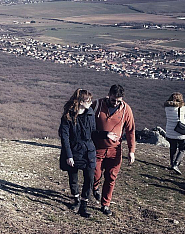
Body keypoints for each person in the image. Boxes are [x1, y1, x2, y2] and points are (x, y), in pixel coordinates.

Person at [58, 88, 106, 218]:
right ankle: (76, 200)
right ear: (80, 102)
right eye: (88, 100)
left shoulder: (90, 113)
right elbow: (65, 137)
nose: (91, 103)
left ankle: (83, 206)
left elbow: (93, 133)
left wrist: (106, 134)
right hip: (74, 151)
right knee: (73, 178)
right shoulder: (68, 116)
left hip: (89, 151)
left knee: (89, 178)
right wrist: (69, 155)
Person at [92, 84, 136, 216]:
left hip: (114, 150)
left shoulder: (126, 110)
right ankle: (95, 187)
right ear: (108, 96)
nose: (115, 103)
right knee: (95, 174)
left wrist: (131, 150)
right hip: (97, 148)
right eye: (113, 100)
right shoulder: (98, 105)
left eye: (118, 101)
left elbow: (130, 131)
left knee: (111, 176)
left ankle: (105, 204)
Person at [164, 92, 185, 175]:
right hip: (180, 132)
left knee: (172, 148)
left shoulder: (166, 107)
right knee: (182, 149)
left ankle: (172, 163)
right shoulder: (182, 108)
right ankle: (176, 164)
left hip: (170, 131)